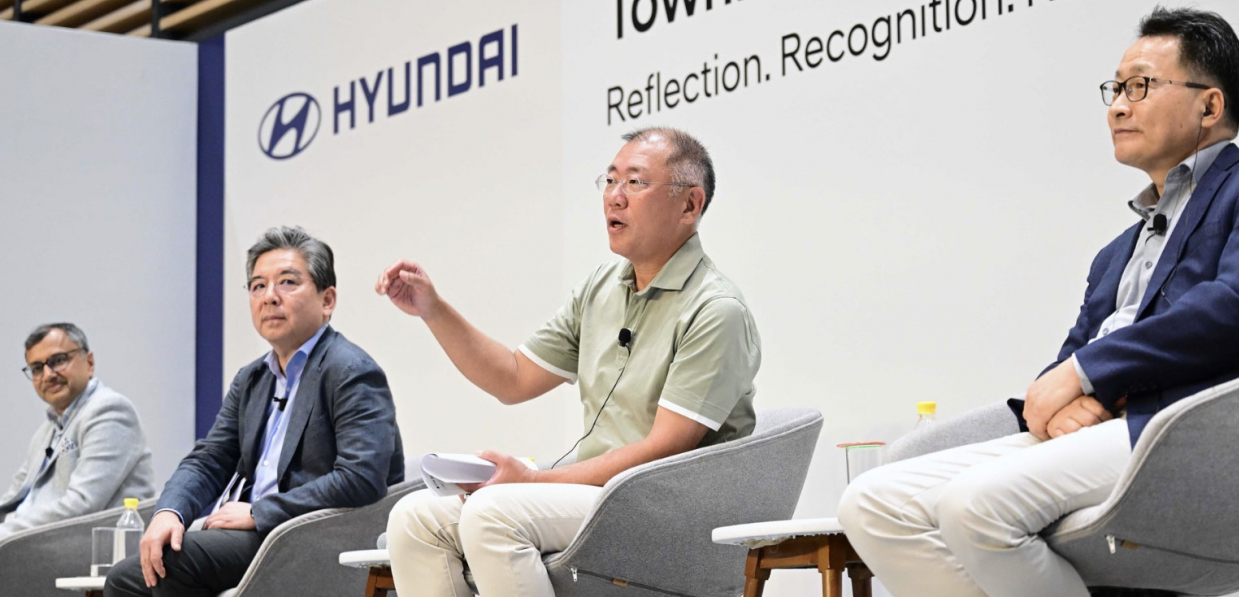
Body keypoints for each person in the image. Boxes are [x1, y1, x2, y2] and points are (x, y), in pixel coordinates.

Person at [838, 6, 1239, 597]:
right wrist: (1061, 398)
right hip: (1095, 428)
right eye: (1116, 89)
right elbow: (1070, 355)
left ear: (1209, 105)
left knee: (975, 506)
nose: (1118, 106)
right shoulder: (1115, 251)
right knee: (872, 501)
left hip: (1176, 427)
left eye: (1141, 86)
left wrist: (1087, 373)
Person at [377, 126, 761, 597]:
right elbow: (512, 378)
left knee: (492, 514)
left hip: (667, 505)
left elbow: (664, 448)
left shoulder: (715, 309)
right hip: (594, 496)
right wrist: (432, 309)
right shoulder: (601, 288)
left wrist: (534, 481)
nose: (614, 198)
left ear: (689, 205)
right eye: (610, 180)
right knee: (414, 518)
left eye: (635, 183)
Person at [105, 226, 404, 596]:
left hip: (310, 536)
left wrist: (258, 512)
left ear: (327, 300)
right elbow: (208, 460)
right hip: (256, 536)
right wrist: (170, 512)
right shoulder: (253, 378)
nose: (269, 297)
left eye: (287, 282)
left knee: (174, 563)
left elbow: (362, 477)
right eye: (258, 286)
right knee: (127, 579)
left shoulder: (350, 369)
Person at [0, 323, 155, 539]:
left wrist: (5, 533)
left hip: (84, 548)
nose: (48, 374)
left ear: (89, 362)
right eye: (37, 368)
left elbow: (81, 505)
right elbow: (14, 496)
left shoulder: (110, 411)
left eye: (59, 360)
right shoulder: (47, 430)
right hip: (32, 543)